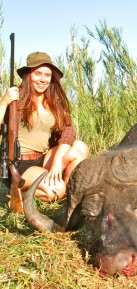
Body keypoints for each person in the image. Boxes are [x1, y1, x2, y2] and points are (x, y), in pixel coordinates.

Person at [0, 51, 89, 206]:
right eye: (38, 74)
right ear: (28, 75)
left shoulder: (54, 102)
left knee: (80, 148)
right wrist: (4, 102)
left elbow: (68, 131)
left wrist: (56, 162)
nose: (43, 79)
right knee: (55, 190)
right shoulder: (15, 99)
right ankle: (17, 192)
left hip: (42, 159)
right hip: (18, 165)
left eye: (47, 75)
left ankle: (68, 196)